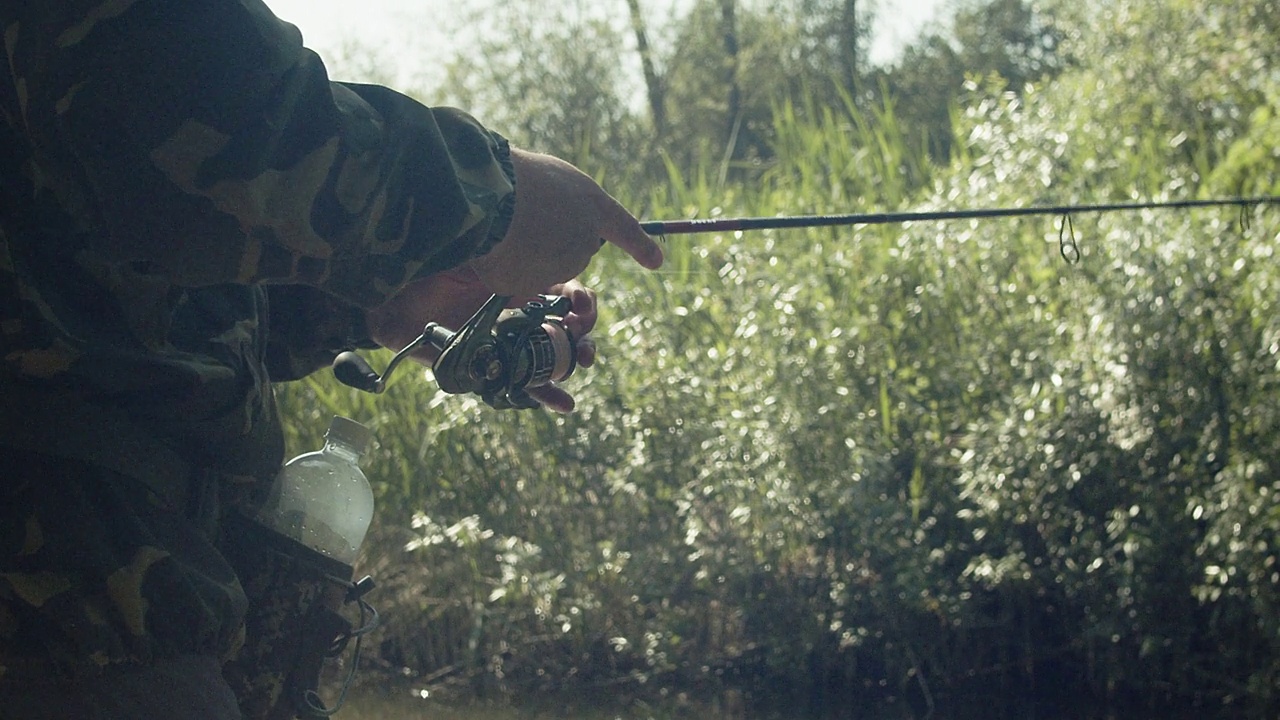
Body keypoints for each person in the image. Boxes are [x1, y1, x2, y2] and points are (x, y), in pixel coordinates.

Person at [0, 1, 663, 718]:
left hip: (113, 602)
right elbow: (208, 125)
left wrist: (385, 302)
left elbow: (152, 274)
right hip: (60, 615)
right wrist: (492, 197)